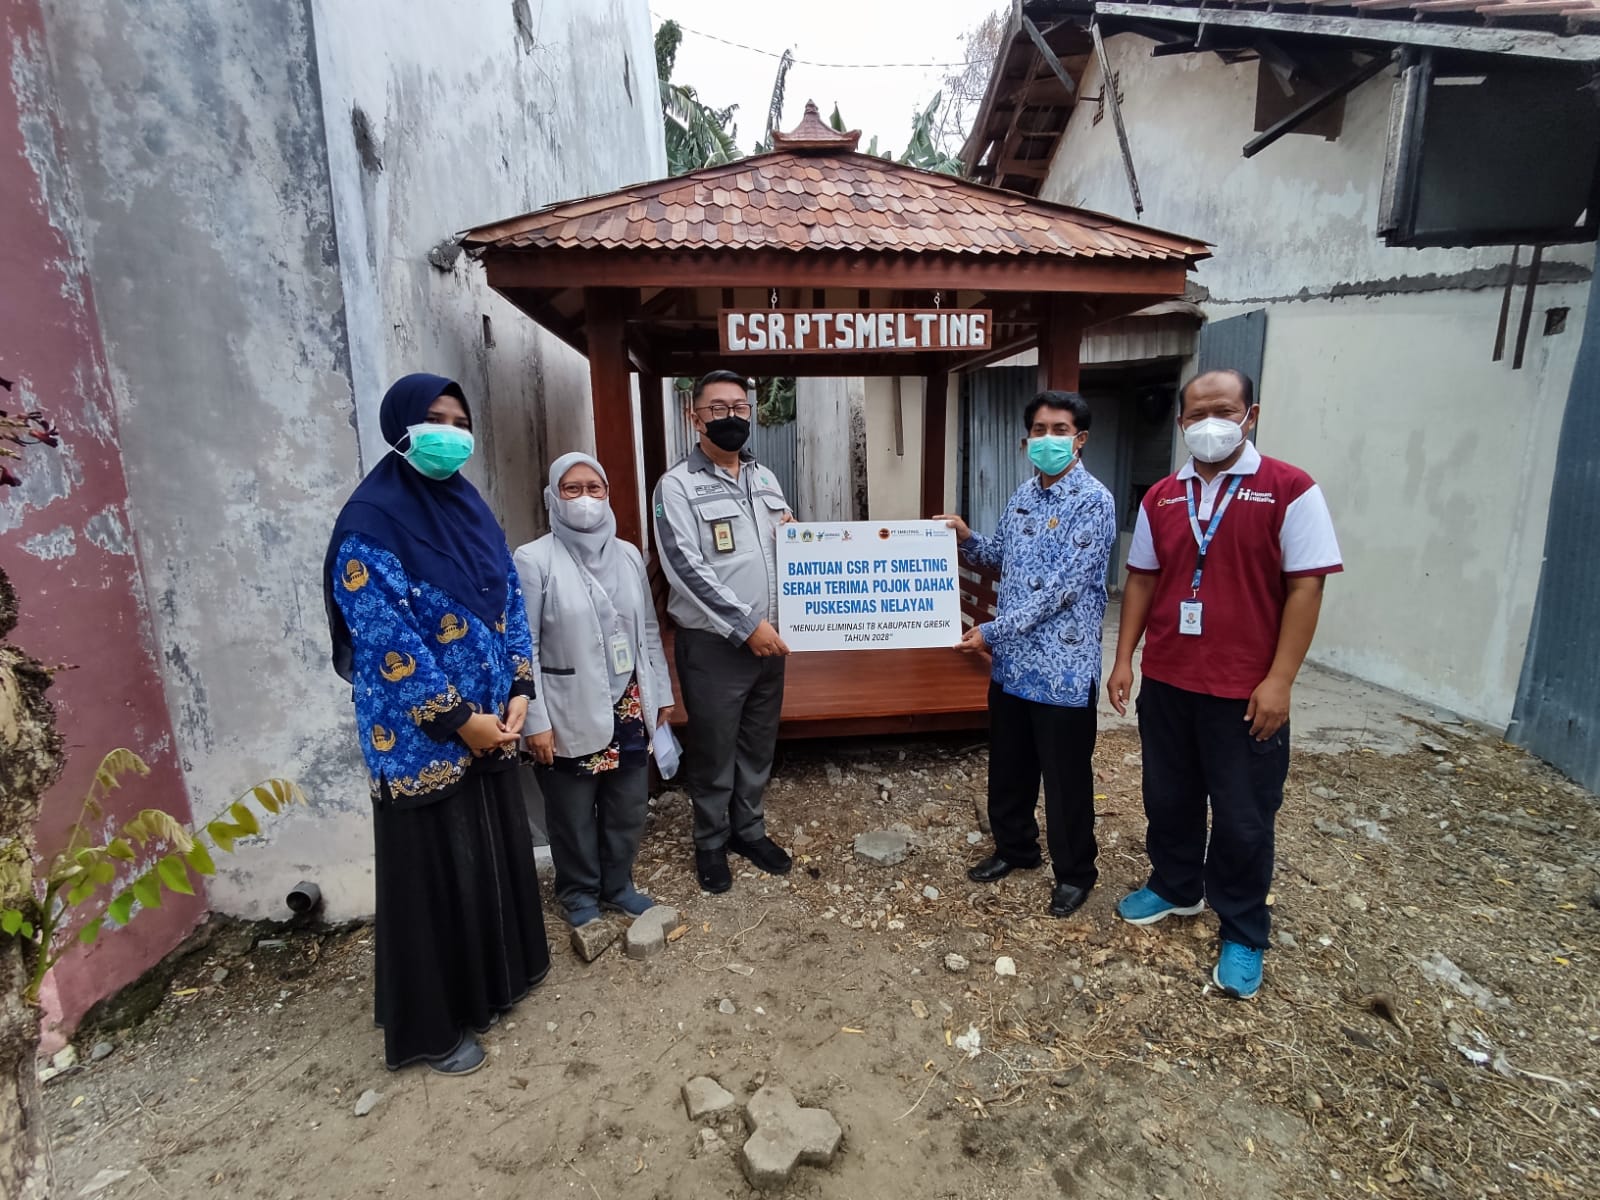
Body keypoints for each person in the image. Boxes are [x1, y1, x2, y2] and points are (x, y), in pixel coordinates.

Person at [325, 373, 548, 1076]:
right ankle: (433, 1028)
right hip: (420, 740)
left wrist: (517, 689)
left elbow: (507, 598)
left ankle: (499, 983)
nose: (451, 432)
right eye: (435, 419)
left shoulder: (470, 508)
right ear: (400, 428)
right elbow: (387, 641)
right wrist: (458, 720)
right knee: (433, 879)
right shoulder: (371, 523)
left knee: (488, 855)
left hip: (493, 725)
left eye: (459, 418)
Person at [1107, 368, 1342, 999]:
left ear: (1250, 414)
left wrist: (1281, 680)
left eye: (1224, 409)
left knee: (1243, 818)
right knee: (1169, 796)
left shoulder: (1290, 489)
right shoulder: (1161, 496)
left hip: (1245, 691)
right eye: (1198, 412)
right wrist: (1125, 657)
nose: (1210, 422)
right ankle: (1176, 886)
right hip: (1171, 682)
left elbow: (1306, 586)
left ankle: (1242, 926)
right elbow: (1144, 581)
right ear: (1182, 423)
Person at [938, 390, 1118, 919]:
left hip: (1062, 670)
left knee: (1065, 779)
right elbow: (1003, 559)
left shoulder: (1095, 502)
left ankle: (1075, 873)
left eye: (1058, 430)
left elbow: (1062, 589)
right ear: (1026, 440)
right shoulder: (1022, 496)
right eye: (1038, 430)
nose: (1047, 439)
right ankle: (1015, 849)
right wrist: (968, 537)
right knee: (1010, 768)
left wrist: (992, 631)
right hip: (1012, 667)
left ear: (1079, 439)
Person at [513, 452, 675, 930]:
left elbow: (647, 628)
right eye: (572, 489)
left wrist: (660, 693)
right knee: (572, 812)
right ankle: (578, 892)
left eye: (594, 488)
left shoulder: (627, 553)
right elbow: (524, 647)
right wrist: (535, 721)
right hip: (566, 708)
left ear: (607, 494)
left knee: (627, 805)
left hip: (628, 703)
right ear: (553, 497)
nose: (585, 499)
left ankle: (618, 885)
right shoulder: (534, 559)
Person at [652, 369, 793, 894]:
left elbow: (786, 545)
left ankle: (748, 830)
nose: (730, 417)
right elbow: (685, 568)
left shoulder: (767, 479)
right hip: (715, 645)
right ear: (695, 418)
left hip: (772, 640)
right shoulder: (677, 486)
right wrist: (744, 625)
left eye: (739, 407)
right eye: (717, 408)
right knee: (713, 748)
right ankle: (711, 840)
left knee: (758, 743)